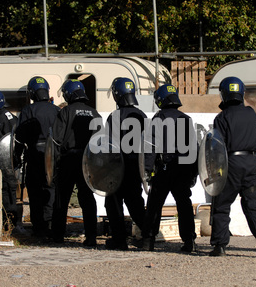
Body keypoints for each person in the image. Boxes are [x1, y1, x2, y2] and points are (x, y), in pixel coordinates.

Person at [209, 76, 256, 257]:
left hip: (231, 164)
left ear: (224, 94)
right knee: (253, 204)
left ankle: (219, 245)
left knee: (222, 205)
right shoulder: (251, 113)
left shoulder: (221, 118)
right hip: (250, 164)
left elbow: (217, 147)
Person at [141, 84, 198, 252]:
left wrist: (147, 170)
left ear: (160, 100)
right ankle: (189, 242)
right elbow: (193, 148)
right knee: (184, 205)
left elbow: (150, 147)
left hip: (163, 169)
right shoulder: (186, 119)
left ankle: (147, 241)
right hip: (182, 170)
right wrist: (193, 172)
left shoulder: (158, 119)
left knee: (154, 205)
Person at [51, 79, 102, 246]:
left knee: (62, 198)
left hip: (68, 159)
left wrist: (55, 164)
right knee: (87, 199)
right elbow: (100, 142)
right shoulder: (95, 113)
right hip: (88, 160)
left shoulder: (65, 112)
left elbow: (56, 141)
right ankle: (91, 237)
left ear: (68, 94)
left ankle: (58, 236)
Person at [104, 78, 147, 250]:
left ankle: (119, 240)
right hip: (136, 166)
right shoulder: (142, 115)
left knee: (113, 203)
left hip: (117, 166)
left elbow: (108, 144)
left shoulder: (114, 116)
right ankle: (148, 236)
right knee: (135, 202)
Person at [14, 76, 60, 238]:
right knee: (51, 189)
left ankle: (39, 226)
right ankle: (50, 223)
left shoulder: (28, 110)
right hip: (53, 156)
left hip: (33, 155)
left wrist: (16, 156)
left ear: (32, 93)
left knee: (34, 192)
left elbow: (19, 137)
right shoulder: (56, 110)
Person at [0, 89, 20, 231]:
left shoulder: (0, 117)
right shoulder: (9, 116)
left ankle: (9, 224)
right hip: (11, 161)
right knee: (10, 192)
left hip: (4, 161)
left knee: (7, 192)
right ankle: (11, 222)